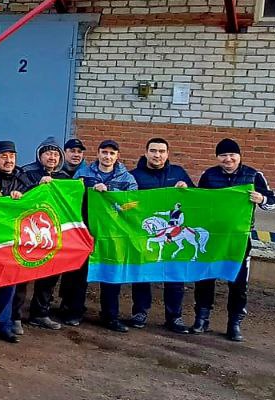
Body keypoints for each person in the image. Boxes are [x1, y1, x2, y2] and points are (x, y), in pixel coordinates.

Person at [191, 138, 275, 342]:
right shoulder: (209, 176)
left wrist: (261, 199)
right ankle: (202, 318)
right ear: (217, 157)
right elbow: (198, 201)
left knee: (238, 284)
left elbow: (273, 201)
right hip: (212, 236)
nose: (228, 159)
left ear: (239, 156)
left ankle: (234, 323)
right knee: (205, 277)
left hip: (239, 239)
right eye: (223, 155)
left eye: (232, 155)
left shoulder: (253, 175)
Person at [130, 137, 195, 334]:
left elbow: (196, 198)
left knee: (175, 275)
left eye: (161, 151)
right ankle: (140, 312)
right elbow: (128, 202)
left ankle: (174, 317)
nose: (157, 155)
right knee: (142, 274)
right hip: (144, 231)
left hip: (173, 231)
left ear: (167, 154)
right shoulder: (134, 176)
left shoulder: (178, 173)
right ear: (146, 152)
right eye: (153, 151)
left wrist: (187, 189)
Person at [76, 140, 138, 332]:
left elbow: (133, 204)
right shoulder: (84, 173)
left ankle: (110, 316)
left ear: (117, 156)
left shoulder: (127, 178)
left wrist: (110, 192)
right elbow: (73, 195)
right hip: (88, 230)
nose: (107, 156)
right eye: (104, 152)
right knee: (80, 274)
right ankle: (75, 311)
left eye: (112, 153)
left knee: (111, 275)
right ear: (98, 153)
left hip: (113, 234)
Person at [0, 140, 33, 341]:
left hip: (12, 239)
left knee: (9, 281)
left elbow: (33, 200)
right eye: (4, 156)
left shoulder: (23, 178)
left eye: (12, 156)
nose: (8, 160)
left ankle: (3, 324)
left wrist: (25, 195)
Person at [18, 136, 68, 332]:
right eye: (48, 153)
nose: (52, 157)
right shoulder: (27, 172)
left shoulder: (64, 178)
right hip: (28, 231)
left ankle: (40, 313)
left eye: (56, 154)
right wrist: (38, 185)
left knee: (49, 275)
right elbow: (19, 196)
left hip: (52, 233)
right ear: (40, 155)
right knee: (22, 274)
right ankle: (15, 316)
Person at [55, 137, 89, 325]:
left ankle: (72, 307)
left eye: (79, 152)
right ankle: (45, 306)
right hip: (60, 227)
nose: (76, 155)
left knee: (78, 271)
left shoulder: (89, 174)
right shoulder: (56, 173)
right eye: (72, 151)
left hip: (82, 229)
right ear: (64, 153)